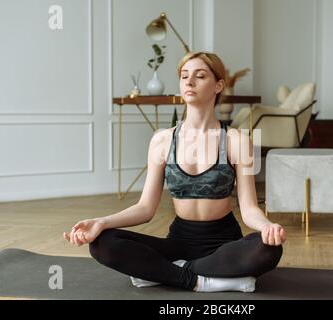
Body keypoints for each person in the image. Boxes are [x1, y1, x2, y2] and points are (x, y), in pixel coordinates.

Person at [63, 51, 286, 292]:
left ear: (218, 85)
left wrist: (266, 227)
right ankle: (201, 280)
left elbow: (249, 208)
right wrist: (100, 222)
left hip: (223, 245)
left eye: (199, 76)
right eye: (184, 76)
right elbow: (145, 209)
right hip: (178, 242)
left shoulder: (237, 141)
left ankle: (164, 272)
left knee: (269, 248)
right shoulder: (162, 140)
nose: (189, 82)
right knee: (101, 243)